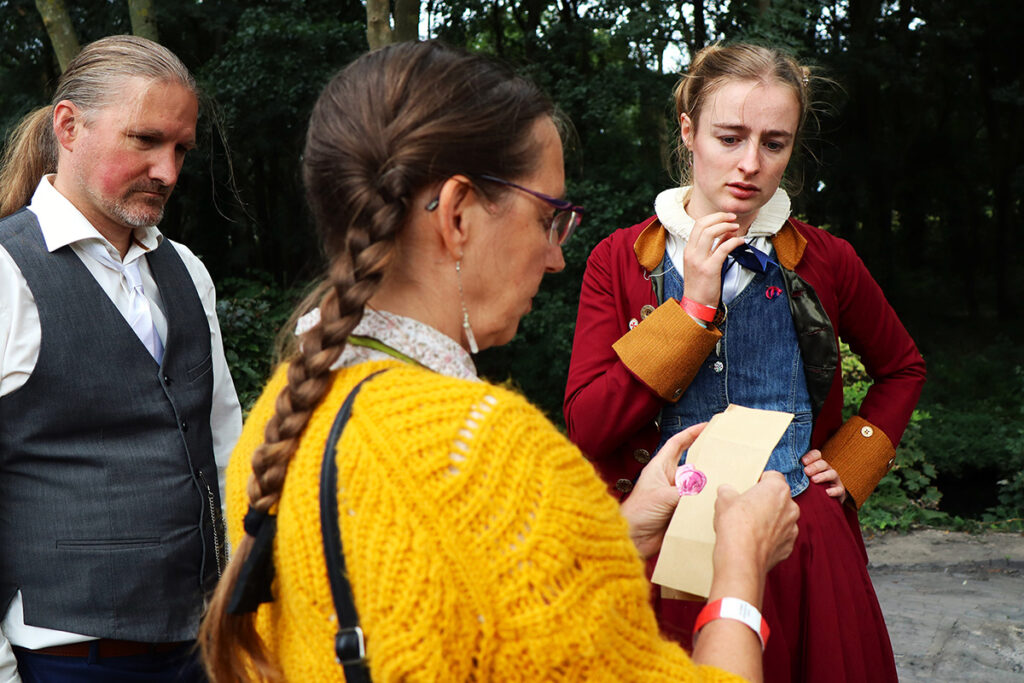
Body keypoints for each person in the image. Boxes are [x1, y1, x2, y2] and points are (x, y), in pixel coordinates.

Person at [199, 40, 801, 683]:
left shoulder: (280, 420)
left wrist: (616, 535)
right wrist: (738, 567)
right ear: (457, 216)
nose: (555, 257)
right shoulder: (487, 450)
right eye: (550, 217)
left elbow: (453, 611)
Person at [564, 42, 927, 682]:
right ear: (689, 132)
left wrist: (853, 457)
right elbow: (589, 425)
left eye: (775, 143)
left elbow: (902, 367)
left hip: (804, 544)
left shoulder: (827, 258)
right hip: (663, 547)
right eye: (730, 137)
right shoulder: (618, 260)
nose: (751, 165)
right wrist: (693, 308)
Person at [0, 35, 242, 682]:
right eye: (146, 140)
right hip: (66, 657)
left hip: (201, 645)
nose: (168, 170)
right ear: (69, 125)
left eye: (182, 149)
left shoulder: (187, 271)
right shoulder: (6, 272)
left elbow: (226, 451)